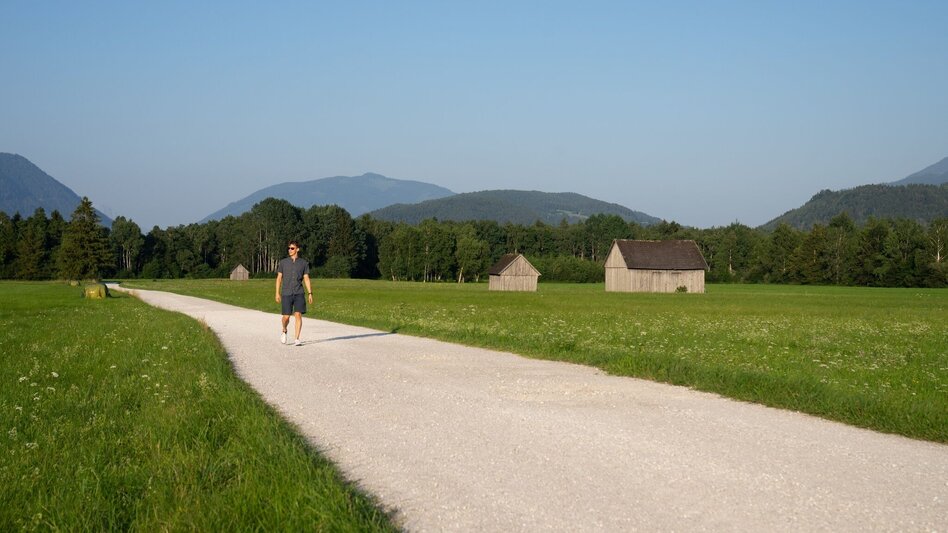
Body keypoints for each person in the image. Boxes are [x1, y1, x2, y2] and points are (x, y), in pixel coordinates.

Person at [275, 240, 313, 346]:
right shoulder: (283, 262)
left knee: (298, 315)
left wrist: (310, 293)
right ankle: (284, 329)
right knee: (286, 317)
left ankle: (297, 338)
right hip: (286, 293)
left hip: (299, 292)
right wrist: (277, 293)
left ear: (297, 249)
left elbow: (306, 278)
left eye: (292, 248)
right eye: (289, 248)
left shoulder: (304, 263)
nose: (290, 250)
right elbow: (279, 278)